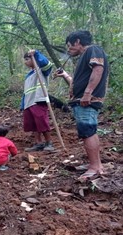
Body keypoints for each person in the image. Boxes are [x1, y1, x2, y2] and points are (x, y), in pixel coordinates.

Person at [55, 30, 109, 180]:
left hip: (87, 100)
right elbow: (77, 81)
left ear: (77, 41)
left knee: (87, 131)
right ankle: (96, 164)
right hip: (82, 99)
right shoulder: (85, 57)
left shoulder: (93, 50)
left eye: (69, 45)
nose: (69, 49)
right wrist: (65, 75)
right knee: (89, 130)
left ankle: (95, 167)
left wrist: (87, 93)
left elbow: (98, 70)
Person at [21, 49, 55, 152]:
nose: (25, 62)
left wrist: (36, 53)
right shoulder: (28, 75)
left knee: (42, 122)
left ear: (34, 59)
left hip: (38, 100)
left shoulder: (41, 70)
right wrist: (23, 104)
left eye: (28, 59)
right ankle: (38, 143)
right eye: (25, 59)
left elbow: (47, 64)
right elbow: (26, 92)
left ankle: (49, 142)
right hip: (28, 102)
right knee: (33, 124)